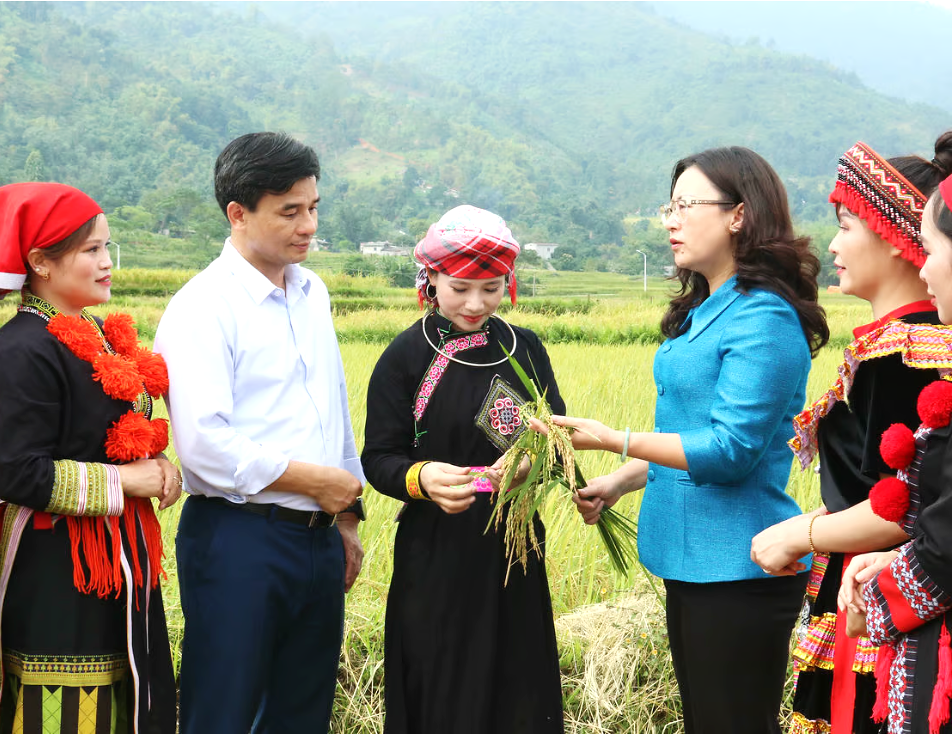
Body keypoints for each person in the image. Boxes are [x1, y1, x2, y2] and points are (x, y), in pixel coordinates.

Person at [541, 147, 830, 733]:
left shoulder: (763, 318)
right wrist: (625, 479)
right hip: (693, 564)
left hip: (739, 569)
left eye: (685, 205)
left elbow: (728, 451)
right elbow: (691, 434)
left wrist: (615, 441)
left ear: (739, 215)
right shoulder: (707, 309)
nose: (670, 220)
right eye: (667, 207)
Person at [154, 132, 365, 734]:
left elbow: (334, 409)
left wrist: (346, 516)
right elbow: (202, 446)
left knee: (301, 713)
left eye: (314, 207)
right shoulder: (203, 307)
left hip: (318, 536)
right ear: (238, 213)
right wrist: (313, 482)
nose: (308, 226)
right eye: (290, 211)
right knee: (225, 709)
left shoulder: (312, 291)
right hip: (239, 539)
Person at [750, 134, 952, 734]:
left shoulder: (905, 355)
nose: (833, 245)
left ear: (898, 237)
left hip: (879, 588)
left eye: (845, 225)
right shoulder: (897, 347)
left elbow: (906, 508)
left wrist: (800, 532)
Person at [0, 183, 180, 734]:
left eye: (108, 248)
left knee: (127, 706)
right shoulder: (20, 352)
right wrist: (126, 481)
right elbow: (17, 471)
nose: (107, 263)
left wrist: (156, 467)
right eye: (91, 251)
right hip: (61, 569)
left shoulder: (96, 336)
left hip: (122, 561)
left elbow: (104, 437)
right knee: (65, 711)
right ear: (39, 262)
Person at [360, 204, 565, 733]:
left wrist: (533, 464)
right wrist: (422, 479)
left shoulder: (526, 349)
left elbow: (557, 436)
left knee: (517, 688)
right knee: (442, 686)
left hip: (513, 546)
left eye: (492, 288)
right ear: (430, 279)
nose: (477, 303)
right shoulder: (403, 357)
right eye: (460, 289)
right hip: (436, 552)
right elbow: (379, 457)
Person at [839, 174, 952, 734]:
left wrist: (806, 534)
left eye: (930, 250)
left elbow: (934, 526)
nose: (924, 266)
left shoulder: (903, 347)